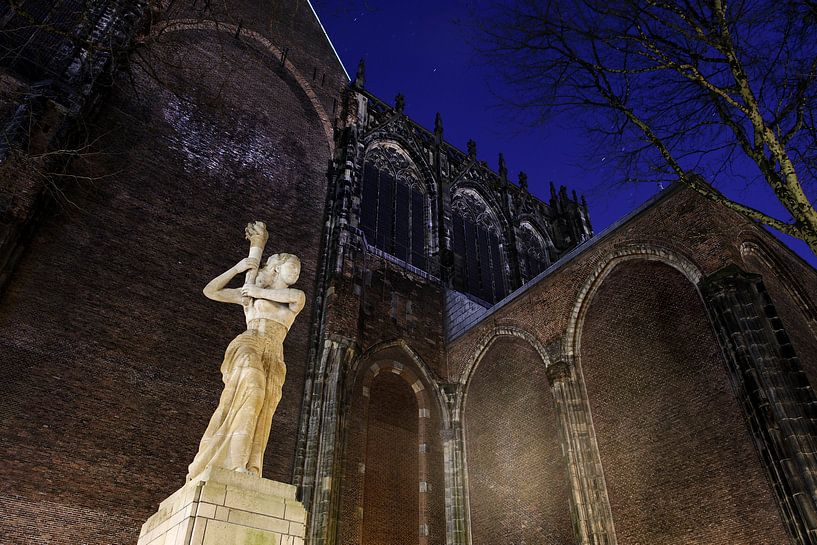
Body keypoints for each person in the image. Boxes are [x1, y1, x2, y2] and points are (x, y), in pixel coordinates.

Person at [186, 252, 305, 481]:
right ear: (277, 268)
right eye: (292, 266)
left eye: (299, 269)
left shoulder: (293, 296)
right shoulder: (250, 294)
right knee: (252, 387)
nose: (296, 272)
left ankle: (248, 466)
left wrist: (254, 291)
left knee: (263, 411)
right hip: (251, 340)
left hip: (274, 353)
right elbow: (210, 291)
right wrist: (238, 268)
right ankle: (231, 462)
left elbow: (295, 298)